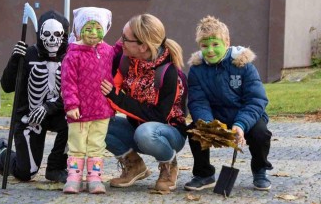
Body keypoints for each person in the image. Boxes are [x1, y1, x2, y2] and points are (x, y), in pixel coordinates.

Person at [100, 13, 188, 192]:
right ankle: (134, 165)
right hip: (137, 127)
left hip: (168, 133)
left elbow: (158, 116)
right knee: (97, 124)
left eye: (125, 38)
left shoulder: (169, 73)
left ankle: (168, 164)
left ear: (143, 46)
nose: (120, 42)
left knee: (145, 132)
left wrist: (116, 97)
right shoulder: (126, 59)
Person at [184, 15, 273, 191]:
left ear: (227, 42)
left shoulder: (243, 65)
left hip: (245, 116)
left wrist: (241, 124)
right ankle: (204, 174)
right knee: (194, 130)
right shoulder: (196, 69)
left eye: (215, 44)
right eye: (205, 45)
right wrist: (209, 125)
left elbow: (256, 100)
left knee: (260, 133)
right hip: (215, 116)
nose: (210, 50)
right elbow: (197, 101)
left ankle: (260, 170)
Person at [0, 10, 69, 183]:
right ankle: (3, 152)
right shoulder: (28, 54)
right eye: (47, 35)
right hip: (30, 118)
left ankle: (56, 166)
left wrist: (49, 107)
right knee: (26, 173)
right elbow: (6, 87)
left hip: (57, 112)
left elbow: (73, 92)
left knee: (76, 122)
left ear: (64, 36)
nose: (52, 40)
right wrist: (15, 60)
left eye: (57, 35)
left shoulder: (70, 56)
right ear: (39, 35)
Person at [61, 7, 118, 194]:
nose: (93, 33)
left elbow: (120, 51)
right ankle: (74, 178)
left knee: (97, 145)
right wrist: (71, 104)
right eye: (88, 28)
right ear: (79, 29)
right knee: (77, 145)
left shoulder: (109, 51)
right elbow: (68, 82)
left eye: (97, 28)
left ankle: (95, 178)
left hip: (101, 109)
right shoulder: (73, 54)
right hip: (79, 111)